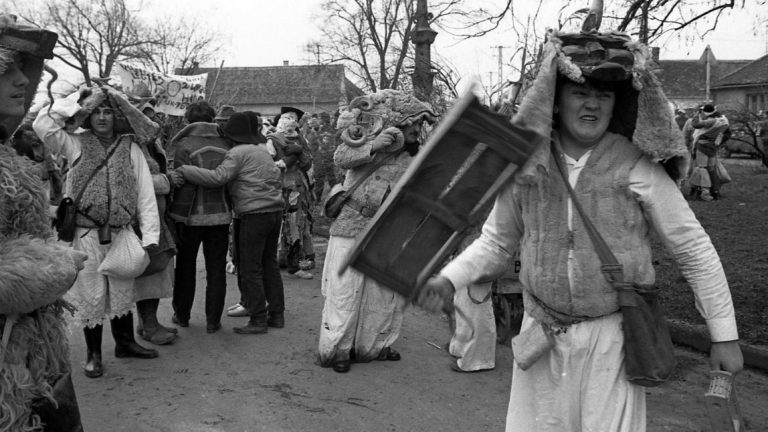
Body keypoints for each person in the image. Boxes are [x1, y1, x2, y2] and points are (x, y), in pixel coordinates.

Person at [416, 29, 743, 431]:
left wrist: (723, 334)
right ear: (556, 102)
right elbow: (497, 242)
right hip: (540, 335)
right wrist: (451, 279)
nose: (591, 105)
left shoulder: (636, 166)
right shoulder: (526, 165)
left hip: (612, 342)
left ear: (616, 104)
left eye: (603, 96)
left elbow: (694, 250)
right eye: (579, 93)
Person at [34, 82, 162, 378]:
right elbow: (43, 124)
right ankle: (93, 354)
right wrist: (77, 100)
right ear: (89, 115)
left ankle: (125, 343)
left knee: (122, 288)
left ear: (116, 116)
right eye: (97, 112)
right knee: (91, 293)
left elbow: (145, 192)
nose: (102, 117)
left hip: (121, 231)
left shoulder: (131, 148)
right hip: (85, 233)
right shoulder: (75, 143)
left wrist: (151, 235)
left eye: (108, 111)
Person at [0, 13, 88, 430]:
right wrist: (55, 267)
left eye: (24, 69)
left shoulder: (7, 157)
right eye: (6, 70)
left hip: (33, 347)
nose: (21, 81)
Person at [317, 89, 437, 373]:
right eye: (412, 124)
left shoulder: (417, 155)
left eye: (420, 125)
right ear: (398, 123)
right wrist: (372, 147)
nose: (417, 130)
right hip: (352, 224)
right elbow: (341, 157)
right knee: (346, 290)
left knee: (383, 293)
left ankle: (375, 345)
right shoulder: (369, 138)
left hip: (389, 231)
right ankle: (338, 349)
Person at [174, 111, 286, 334]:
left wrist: (185, 170)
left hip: (249, 214)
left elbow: (217, 178)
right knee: (267, 265)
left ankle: (257, 319)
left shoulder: (234, 152)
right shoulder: (260, 151)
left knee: (249, 268)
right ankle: (274, 315)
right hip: (271, 211)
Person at [169, 101, 233, 333]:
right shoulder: (227, 144)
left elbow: (179, 181)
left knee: (185, 267)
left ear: (188, 120)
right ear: (212, 118)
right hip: (221, 215)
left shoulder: (183, 145)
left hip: (190, 217)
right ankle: (213, 320)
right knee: (216, 269)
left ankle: (182, 315)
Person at [132, 102, 178, 345]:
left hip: (155, 216)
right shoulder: (129, 145)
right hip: (139, 218)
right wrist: (167, 180)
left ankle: (148, 322)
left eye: (153, 116)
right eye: (146, 117)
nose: (153, 122)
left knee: (157, 266)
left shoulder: (150, 143)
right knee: (148, 268)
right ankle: (148, 325)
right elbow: (138, 181)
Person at [267, 111, 315, 279]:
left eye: (293, 121)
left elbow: (308, 162)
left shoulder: (301, 139)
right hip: (276, 188)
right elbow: (268, 164)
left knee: (295, 225)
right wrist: (285, 161)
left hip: (297, 187)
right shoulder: (271, 140)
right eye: (287, 120)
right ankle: (272, 262)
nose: (290, 123)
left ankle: (294, 265)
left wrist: (299, 153)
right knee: (275, 226)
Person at [688, 103, 730, 200]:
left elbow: (696, 124)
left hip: (703, 146)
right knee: (711, 169)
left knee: (702, 168)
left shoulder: (711, 121)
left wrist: (697, 114)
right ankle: (715, 190)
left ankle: (705, 192)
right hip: (713, 146)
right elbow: (727, 134)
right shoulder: (724, 120)